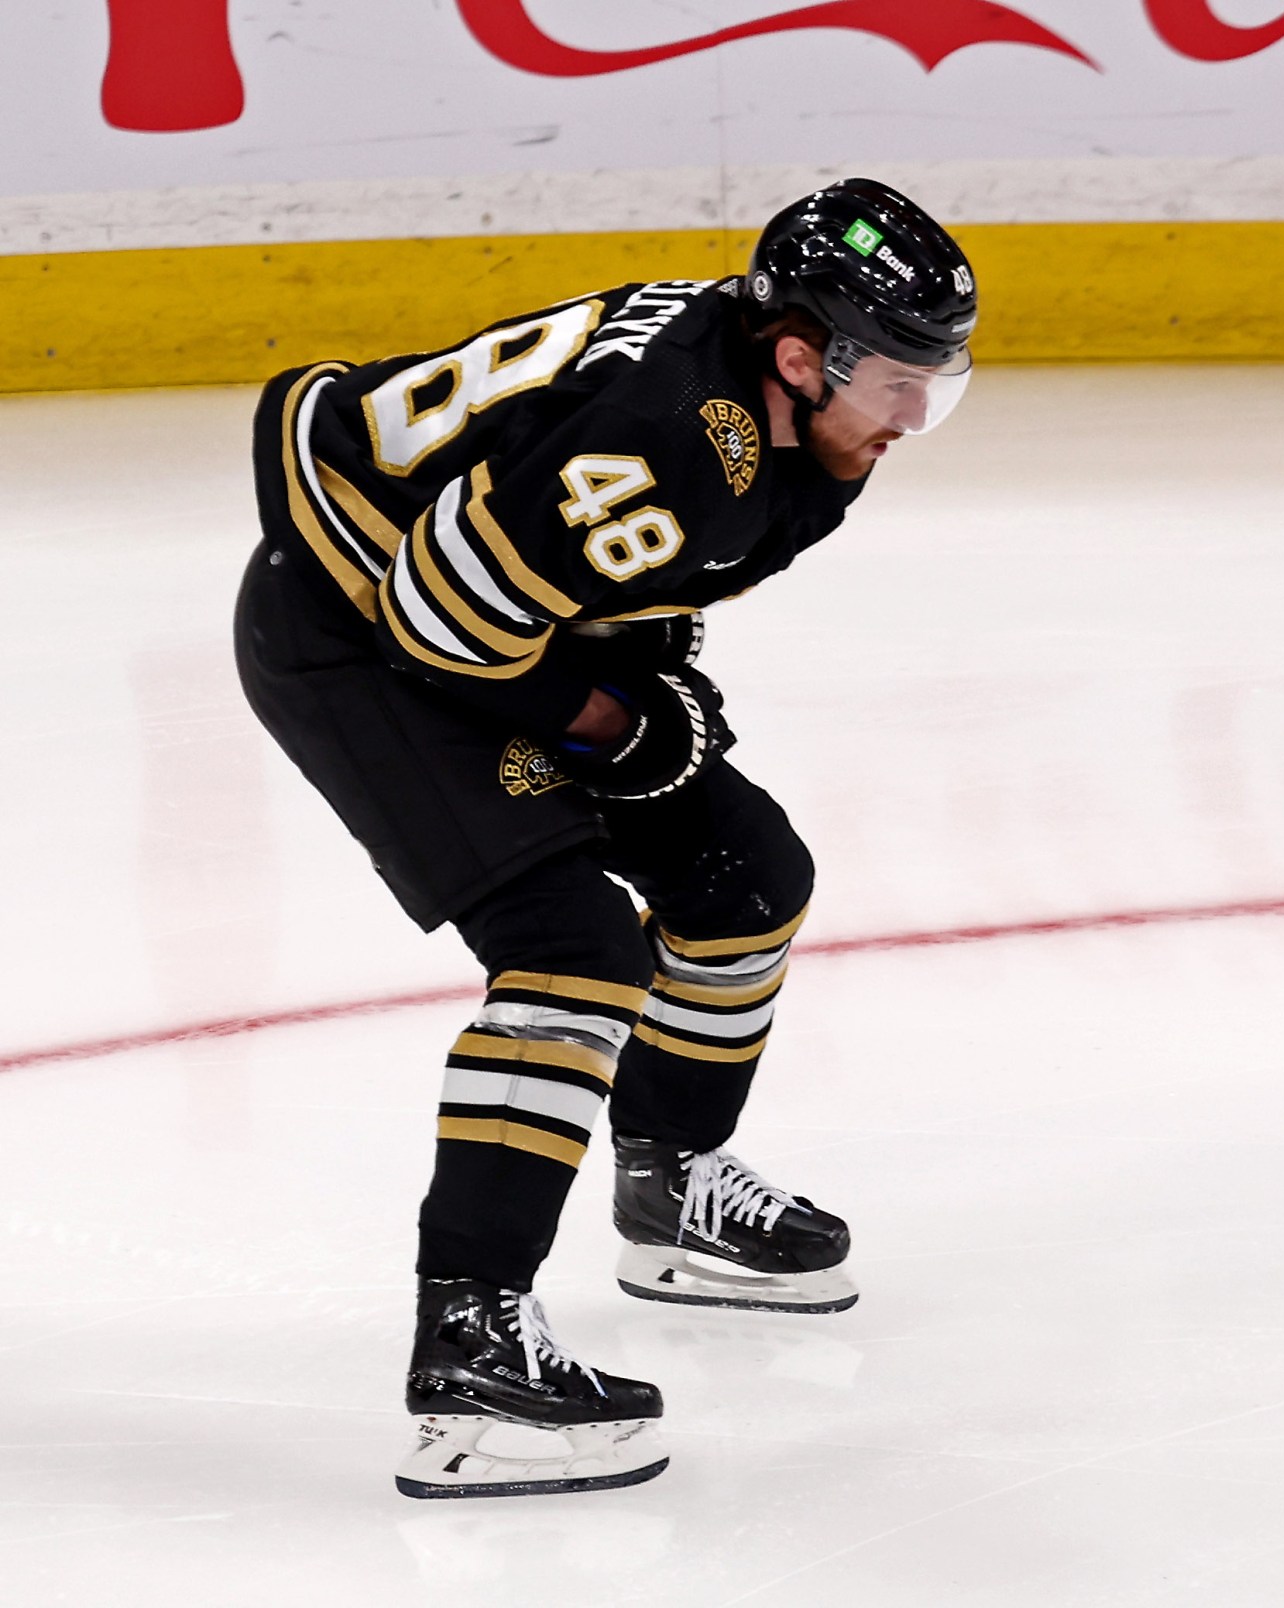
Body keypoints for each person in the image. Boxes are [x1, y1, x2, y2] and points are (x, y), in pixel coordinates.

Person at [233, 176, 977, 1498]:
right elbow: (445, 619)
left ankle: (669, 1182)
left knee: (747, 878)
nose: (915, 415)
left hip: (481, 624)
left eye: (938, 382)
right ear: (798, 358)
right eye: (897, 380)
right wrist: (619, 726)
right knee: (570, 949)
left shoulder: (787, 421)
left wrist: (647, 681)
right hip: (354, 637)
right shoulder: (670, 436)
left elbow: (615, 571)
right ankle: (470, 1348)